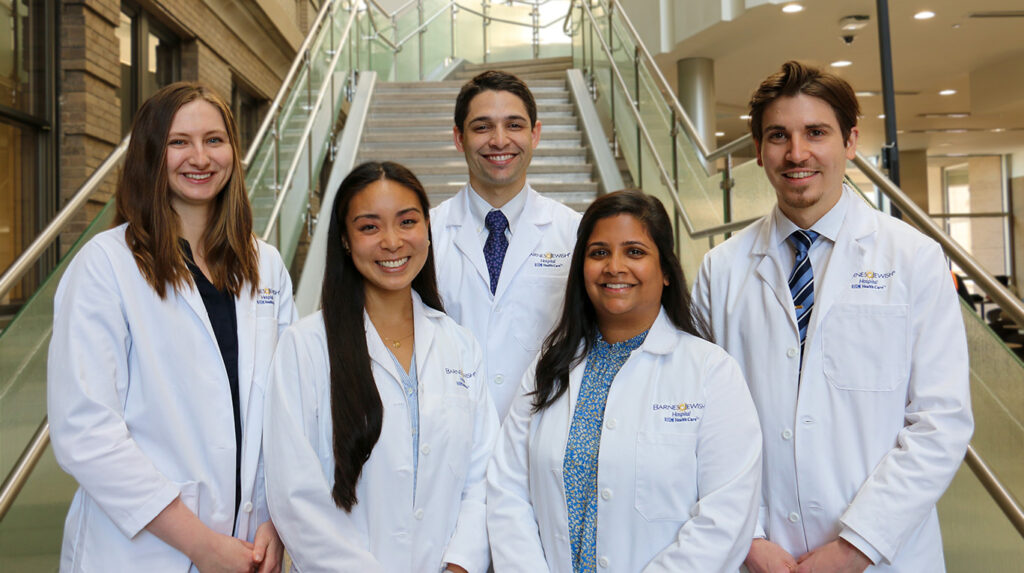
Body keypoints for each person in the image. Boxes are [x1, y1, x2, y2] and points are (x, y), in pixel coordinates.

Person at [692, 61, 973, 572]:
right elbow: (703, 424)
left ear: (850, 141)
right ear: (758, 150)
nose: (797, 153)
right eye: (778, 135)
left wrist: (854, 549)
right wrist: (749, 541)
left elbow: (941, 422)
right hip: (759, 554)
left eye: (816, 133)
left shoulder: (913, 259)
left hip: (883, 556)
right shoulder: (721, 270)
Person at [47, 82, 295, 572]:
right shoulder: (105, 266)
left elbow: (287, 409)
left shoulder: (266, 265)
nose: (199, 157)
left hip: (248, 546)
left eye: (214, 140)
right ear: (150, 154)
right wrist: (199, 543)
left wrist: (275, 519)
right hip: (141, 552)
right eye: (179, 142)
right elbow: (86, 431)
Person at [488, 190, 762, 572]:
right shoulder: (549, 367)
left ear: (666, 270)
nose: (614, 266)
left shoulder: (711, 372)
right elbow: (508, 490)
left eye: (635, 252)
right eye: (598, 252)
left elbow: (725, 517)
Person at [263, 161, 499, 572]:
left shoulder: (460, 346)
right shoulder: (305, 347)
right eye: (369, 227)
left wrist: (459, 565)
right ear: (344, 240)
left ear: (427, 228)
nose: (392, 241)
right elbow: (295, 496)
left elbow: (482, 477)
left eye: (407, 222)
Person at [431, 70, 582, 419]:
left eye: (514, 125)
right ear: (458, 137)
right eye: (482, 127)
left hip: (542, 431)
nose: (499, 141)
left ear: (535, 134)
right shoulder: (427, 234)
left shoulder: (574, 233)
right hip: (452, 435)